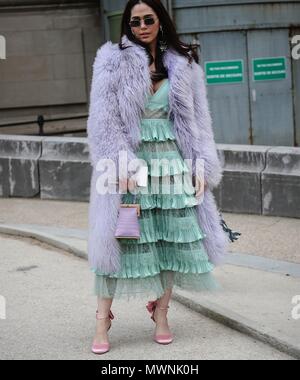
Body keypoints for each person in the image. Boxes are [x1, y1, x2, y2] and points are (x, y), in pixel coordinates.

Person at [87, 0, 229, 355]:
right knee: (119, 241)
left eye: (149, 19)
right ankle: (102, 319)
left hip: (172, 169)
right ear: (127, 25)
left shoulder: (183, 65)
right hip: (129, 172)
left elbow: (199, 123)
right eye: (134, 21)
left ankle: (161, 313)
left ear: (160, 21)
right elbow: (103, 122)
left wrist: (202, 165)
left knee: (170, 243)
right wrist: (120, 164)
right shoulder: (111, 60)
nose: (142, 26)